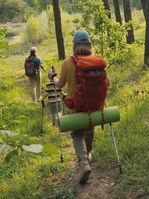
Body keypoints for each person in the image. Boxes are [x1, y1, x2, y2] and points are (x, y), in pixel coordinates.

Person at [49, 29, 106, 184]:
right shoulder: (97, 61)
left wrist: (52, 77)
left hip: (75, 107)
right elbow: (107, 84)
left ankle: (83, 161)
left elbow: (60, 85)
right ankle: (88, 153)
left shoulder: (68, 62)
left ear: (74, 45)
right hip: (94, 107)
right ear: (89, 44)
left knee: (77, 135)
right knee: (89, 129)